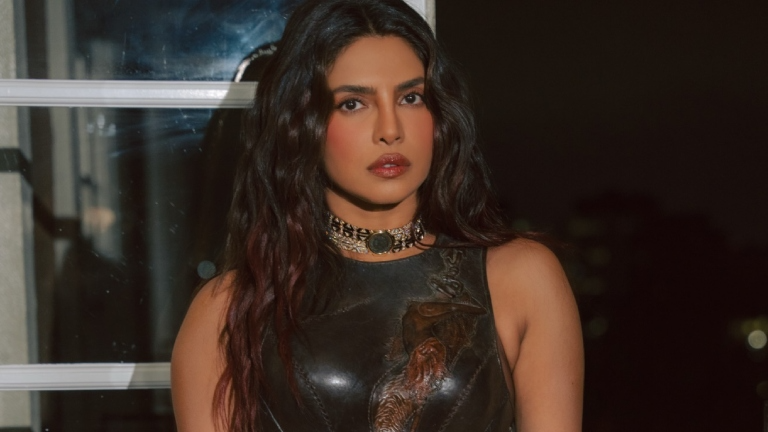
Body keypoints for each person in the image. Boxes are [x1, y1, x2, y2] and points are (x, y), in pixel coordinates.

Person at [171, 0, 583, 431]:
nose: (391, 129)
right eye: (353, 103)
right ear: (302, 123)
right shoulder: (230, 309)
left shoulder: (520, 278)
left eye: (411, 98)